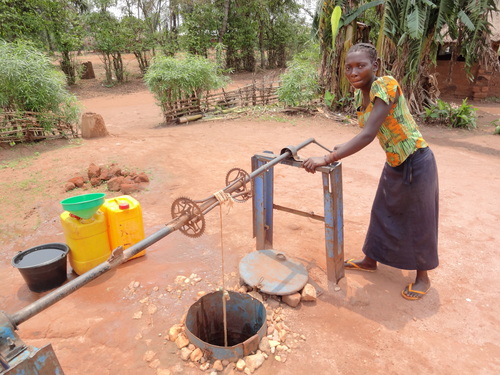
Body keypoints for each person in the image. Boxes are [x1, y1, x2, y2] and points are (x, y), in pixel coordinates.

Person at [303, 42, 439, 301]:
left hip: (417, 160)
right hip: (395, 161)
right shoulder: (359, 95)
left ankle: (423, 277)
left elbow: (368, 134)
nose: (353, 72)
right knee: (381, 212)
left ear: (374, 66)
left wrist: (327, 157)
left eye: (360, 66)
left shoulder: (386, 85)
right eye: (349, 67)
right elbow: (368, 131)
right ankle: (370, 260)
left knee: (419, 219)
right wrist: (342, 146)